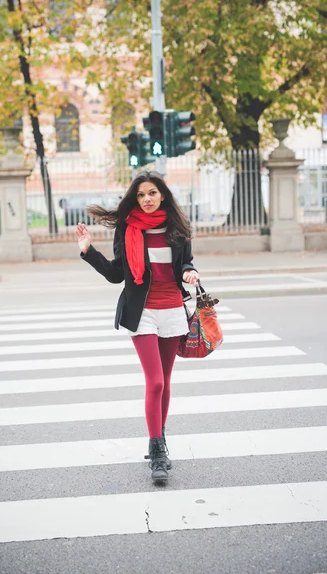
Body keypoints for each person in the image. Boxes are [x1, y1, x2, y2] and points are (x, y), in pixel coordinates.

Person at [75, 170, 199, 483]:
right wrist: (88, 251)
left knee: (166, 381)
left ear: (163, 196)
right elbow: (117, 274)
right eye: (141, 194)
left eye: (152, 193)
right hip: (141, 311)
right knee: (155, 382)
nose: (146, 199)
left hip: (172, 308)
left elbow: (186, 262)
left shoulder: (177, 229)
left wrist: (188, 273)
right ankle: (157, 450)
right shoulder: (127, 228)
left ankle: (160, 437)